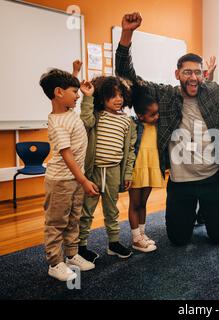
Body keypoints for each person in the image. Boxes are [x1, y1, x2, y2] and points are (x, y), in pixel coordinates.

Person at [116, 12, 219, 246]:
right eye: (187, 72)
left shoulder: (214, 92)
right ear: (177, 74)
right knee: (178, 239)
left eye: (198, 72)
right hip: (181, 181)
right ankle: (190, 214)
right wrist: (126, 34)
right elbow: (127, 78)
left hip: (213, 178)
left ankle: (206, 212)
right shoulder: (165, 95)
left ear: (203, 74)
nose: (193, 77)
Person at [39, 68, 98, 281]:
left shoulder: (68, 111)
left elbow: (62, 87)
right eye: (75, 91)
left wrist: (75, 73)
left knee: (74, 219)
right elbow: (66, 154)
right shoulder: (57, 122)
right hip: (61, 181)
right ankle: (55, 263)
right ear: (58, 93)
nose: (78, 95)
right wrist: (83, 180)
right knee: (57, 222)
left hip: (74, 178)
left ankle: (72, 255)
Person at [78, 75, 136, 262]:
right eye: (113, 95)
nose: (118, 99)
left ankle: (113, 243)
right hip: (93, 171)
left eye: (121, 95)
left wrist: (127, 173)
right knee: (86, 211)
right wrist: (87, 97)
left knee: (112, 210)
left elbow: (130, 151)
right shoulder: (96, 116)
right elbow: (85, 120)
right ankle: (81, 246)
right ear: (102, 97)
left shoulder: (127, 122)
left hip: (113, 172)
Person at [128, 80, 163, 252]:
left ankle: (142, 234)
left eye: (157, 113)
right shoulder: (134, 126)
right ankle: (136, 239)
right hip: (136, 169)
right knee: (134, 204)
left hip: (151, 167)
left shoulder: (157, 126)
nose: (157, 117)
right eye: (152, 115)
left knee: (143, 203)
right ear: (141, 116)